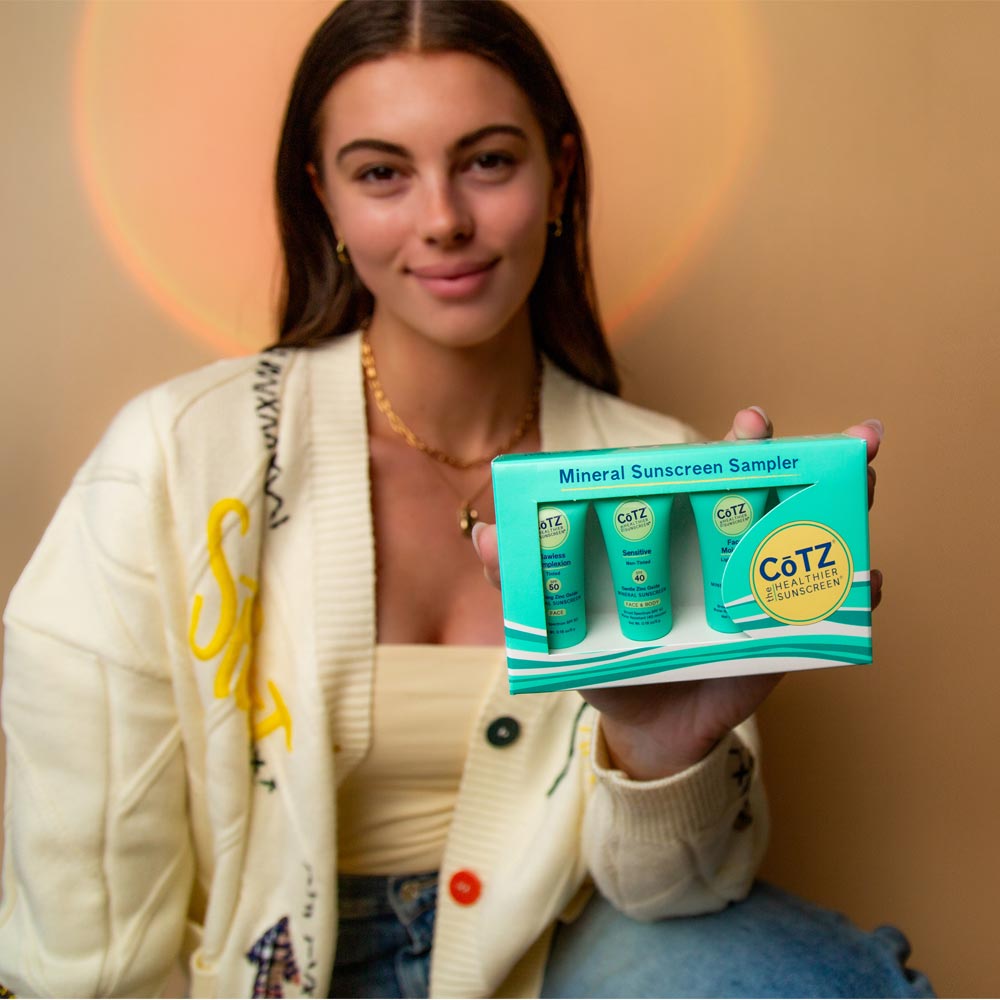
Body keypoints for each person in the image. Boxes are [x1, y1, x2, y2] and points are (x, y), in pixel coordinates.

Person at [0, 2, 931, 998]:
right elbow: (88, 883)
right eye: (381, 173)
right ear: (323, 196)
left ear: (558, 174)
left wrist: (660, 756)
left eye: (487, 160)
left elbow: (678, 894)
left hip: (548, 956)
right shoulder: (176, 457)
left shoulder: (658, 468)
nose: (442, 217)